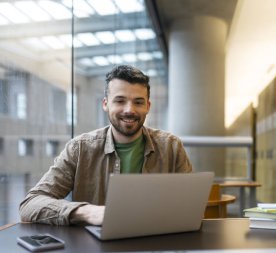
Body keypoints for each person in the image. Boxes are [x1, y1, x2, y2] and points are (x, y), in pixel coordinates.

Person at [19, 65, 193, 226]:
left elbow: (191, 205)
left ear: (148, 106)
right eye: (120, 101)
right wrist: (86, 212)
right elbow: (31, 203)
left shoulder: (171, 147)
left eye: (138, 102)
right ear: (105, 104)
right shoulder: (80, 149)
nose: (129, 110)